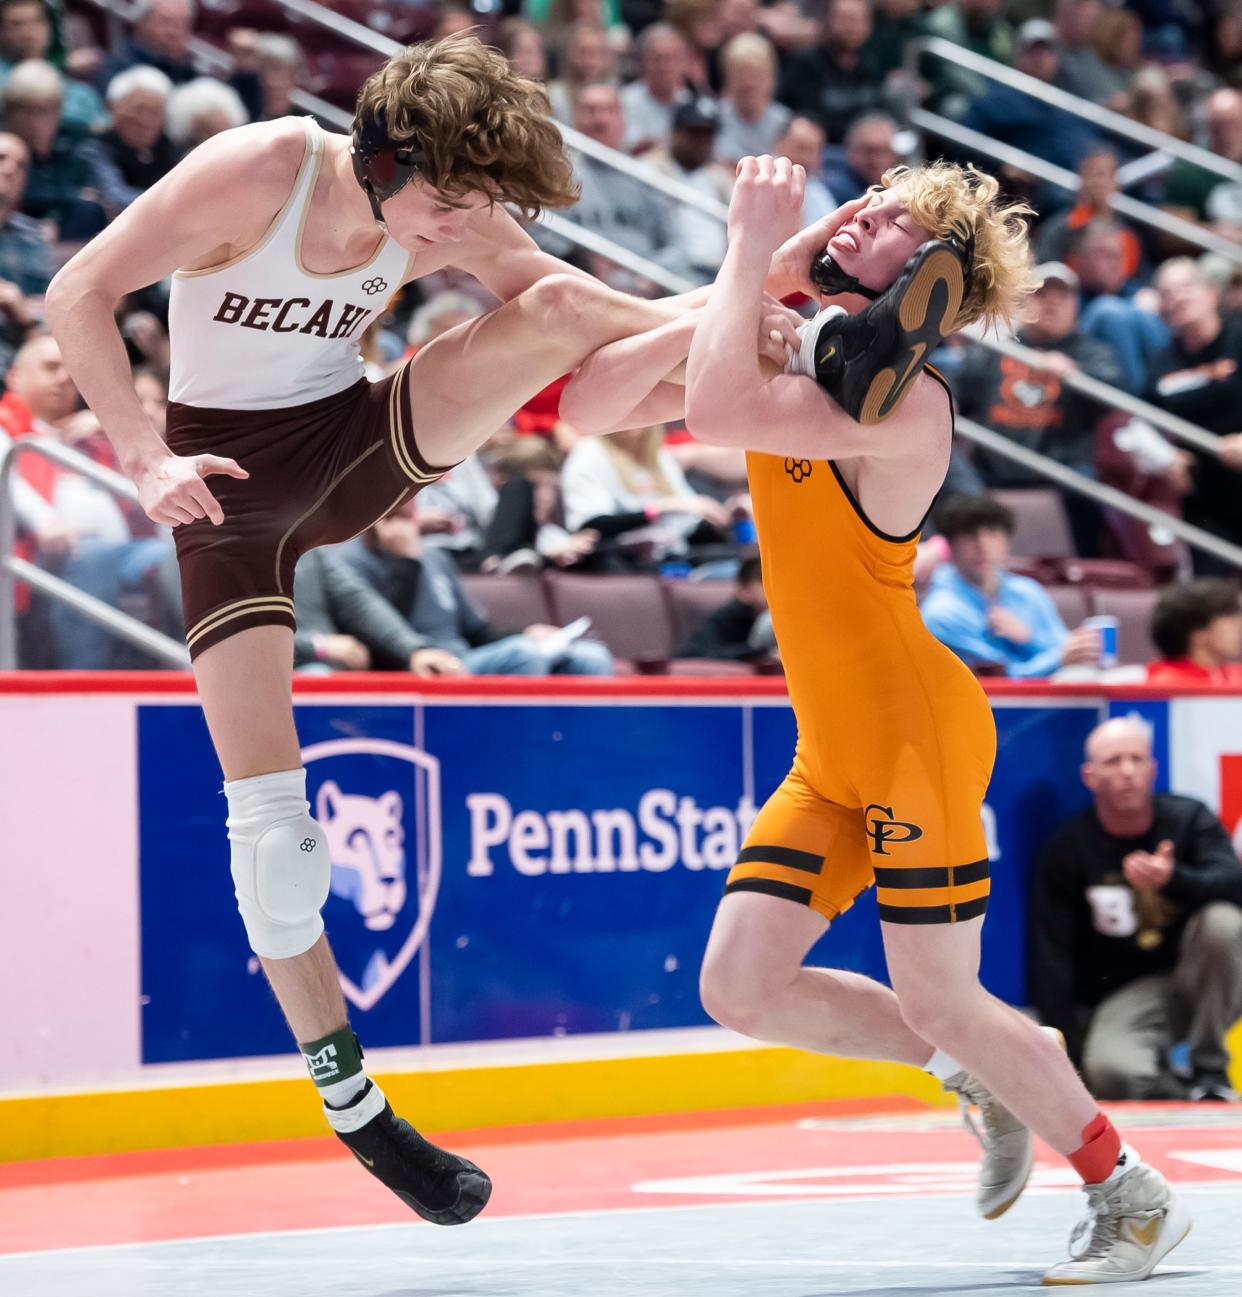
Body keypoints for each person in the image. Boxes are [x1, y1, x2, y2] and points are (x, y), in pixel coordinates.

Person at [46, 32, 776, 1228]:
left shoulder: (446, 201)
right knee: (276, 847)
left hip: (350, 442)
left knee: (550, 315)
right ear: (377, 158)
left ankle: (776, 327)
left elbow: (579, 313)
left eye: (476, 207)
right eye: (445, 206)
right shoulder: (259, 170)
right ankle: (358, 1109)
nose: (449, 235)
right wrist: (139, 454)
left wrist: (753, 281)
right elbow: (81, 289)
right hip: (223, 498)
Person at [562, 159, 1188, 1279]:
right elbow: (591, 410)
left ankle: (1126, 1191)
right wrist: (759, 289)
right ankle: (986, 1064)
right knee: (739, 985)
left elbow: (712, 410)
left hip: (913, 730)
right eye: (873, 197)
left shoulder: (910, 396)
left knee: (940, 990)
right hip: (835, 742)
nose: (864, 211)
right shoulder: (800, 345)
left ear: (935, 274)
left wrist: (751, 252)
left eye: (896, 218)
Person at [1031, 717, 1242, 1102]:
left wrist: (1174, 878)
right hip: (1131, 994)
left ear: (1152, 769)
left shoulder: (1188, 819)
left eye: (1136, 759)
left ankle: (1209, 1069)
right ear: (1090, 776)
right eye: (1113, 762)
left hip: (1207, 977)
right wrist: (1072, 1056)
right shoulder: (1069, 847)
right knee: (1113, 1073)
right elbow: (1052, 955)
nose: (1127, 771)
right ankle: (1182, 1089)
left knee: (1223, 921)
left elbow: (1233, 887)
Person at [949, 261, 1122, 554]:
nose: (1051, 304)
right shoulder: (999, 350)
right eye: (1042, 296)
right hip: (990, 471)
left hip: (1060, 471)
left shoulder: (1091, 352)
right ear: (1025, 303)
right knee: (945, 467)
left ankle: (1082, 564)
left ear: (1076, 306)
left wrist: (1076, 374)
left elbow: (1115, 394)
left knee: (1088, 486)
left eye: (1062, 297)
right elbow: (956, 392)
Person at [343, 499, 614, 675]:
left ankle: (587, 754)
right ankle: (527, 749)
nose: (409, 508)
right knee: (524, 655)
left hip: (465, 657)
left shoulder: (435, 557)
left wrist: (527, 632)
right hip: (424, 664)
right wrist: (407, 562)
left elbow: (477, 630)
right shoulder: (350, 561)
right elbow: (383, 631)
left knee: (592, 657)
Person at [919, 494, 1104, 676]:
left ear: (1006, 542)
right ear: (951, 546)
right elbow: (997, 679)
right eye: (970, 535)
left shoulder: (1029, 591)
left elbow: (1065, 648)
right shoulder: (941, 613)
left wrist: (1029, 639)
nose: (983, 545)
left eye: (992, 533)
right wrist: (1057, 659)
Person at [1147, 257, 1242, 572]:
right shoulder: (1163, 363)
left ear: (1213, 294)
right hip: (1205, 493)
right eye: (1167, 292)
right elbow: (1136, 425)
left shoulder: (1237, 337)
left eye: (1187, 286)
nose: (1178, 297)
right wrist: (1165, 457)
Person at [92, 66, 178, 211]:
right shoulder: (95, 148)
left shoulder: (169, 150)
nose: (145, 120)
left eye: (154, 112)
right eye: (138, 109)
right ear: (112, 107)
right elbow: (114, 197)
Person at [676, 550, 770, 660]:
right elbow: (694, 653)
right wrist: (758, 652)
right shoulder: (728, 617)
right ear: (744, 590)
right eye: (764, 582)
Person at [713, 33, 789, 168]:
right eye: (741, 74)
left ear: (772, 79)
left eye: (757, 74)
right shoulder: (711, 117)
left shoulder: (785, 124)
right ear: (727, 78)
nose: (749, 83)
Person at [1147, 578, 1242, 684]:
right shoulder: (1165, 686)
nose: (1238, 625)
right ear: (1198, 634)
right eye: (1227, 616)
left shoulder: (1236, 675)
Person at [619, 21, 690, 153]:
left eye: (671, 58)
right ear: (643, 61)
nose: (664, 66)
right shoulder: (624, 101)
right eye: (657, 58)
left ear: (684, 63)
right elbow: (633, 148)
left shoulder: (691, 103)